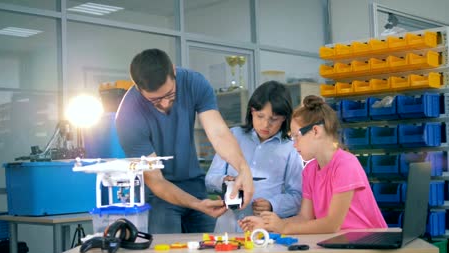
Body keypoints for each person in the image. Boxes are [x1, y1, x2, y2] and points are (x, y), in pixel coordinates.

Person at [115, 49, 254, 234]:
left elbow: (218, 133)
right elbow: (155, 180)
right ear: (138, 88)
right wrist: (196, 204)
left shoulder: (194, 82)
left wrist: (244, 169)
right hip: (158, 195)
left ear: (174, 71)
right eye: (155, 100)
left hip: (194, 185)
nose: (164, 104)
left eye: (170, 95)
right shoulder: (128, 115)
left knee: (208, 251)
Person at [238, 95, 387, 234]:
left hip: (367, 247)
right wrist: (268, 224)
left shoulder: (346, 164)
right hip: (339, 245)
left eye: (296, 136)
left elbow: (331, 224)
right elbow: (305, 218)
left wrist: (284, 227)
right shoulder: (310, 170)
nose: (294, 144)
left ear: (315, 131)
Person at [205, 81, 303, 233]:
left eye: (274, 119)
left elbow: (298, 196)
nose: (265, 124)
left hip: (264, 229)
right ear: (251, 111)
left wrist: (272, 205)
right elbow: (210, 179)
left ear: (284, 118)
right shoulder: (233, 136)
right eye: (260, 116)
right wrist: (224, 181)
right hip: (228, 226)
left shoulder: (291, 147)